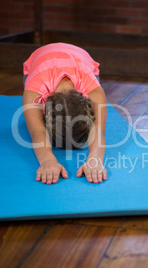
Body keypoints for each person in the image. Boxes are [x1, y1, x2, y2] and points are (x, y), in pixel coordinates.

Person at [22, 42, 107, 185]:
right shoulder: (33, 90)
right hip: (39, 59)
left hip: (81, 57)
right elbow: (38, 132)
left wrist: (95, 159)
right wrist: (47, 160)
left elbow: (98, 130)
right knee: (32, 117)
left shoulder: (93, 91)